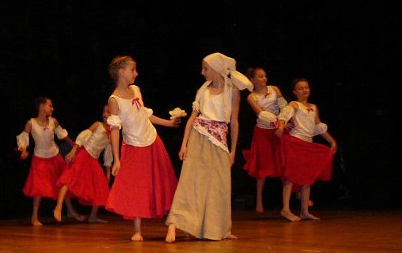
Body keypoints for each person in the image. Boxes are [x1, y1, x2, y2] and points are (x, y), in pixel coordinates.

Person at [165, 53, 253, 243]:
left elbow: (234, 122)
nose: (202, 72)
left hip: (219, 141)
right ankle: (175, 223)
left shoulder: (232, 91)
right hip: (199, 137)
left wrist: (233, 151)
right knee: (191, 181)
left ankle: (218, 228)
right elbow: (192, 118)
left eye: (205, 68)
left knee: (218, 185)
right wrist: (184, 144)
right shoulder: (203, 90)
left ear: (216, 69)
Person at [104, 56, 181, 241]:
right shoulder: (114, 100)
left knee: (164, 181)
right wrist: (116, 159)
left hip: (152, 141)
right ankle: (137, 230)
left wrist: (169, 123)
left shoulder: (136, 89)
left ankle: (173, 225)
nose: (136, 73)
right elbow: (114, 129)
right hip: (133, 147)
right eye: (132, 69)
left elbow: (144, 114)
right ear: (121, 71)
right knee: (136, 187)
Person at [16, 97, 85, 226]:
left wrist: (75, 146)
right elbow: (23, 138)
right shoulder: (31, 123)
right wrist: (24, 150)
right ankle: (34, 217)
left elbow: (62, 135)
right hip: (40, 159)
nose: (52, 108)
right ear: (42, 106)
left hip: (54, 157)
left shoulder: (53, 121)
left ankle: (71, 211)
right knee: (38, 189)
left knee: (64, 183)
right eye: (50, 106)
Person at [275, 78, 338, 220]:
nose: (304, 90)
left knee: (307, 178)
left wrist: (331, 141)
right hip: (295, 143)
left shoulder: (314, 107)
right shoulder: (294, 104)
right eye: (300, 88)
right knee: (291, 176)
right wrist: (281, 127)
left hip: (307, 145)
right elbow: (284, 116)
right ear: (294, 92)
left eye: (306, 87)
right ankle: (285, 209)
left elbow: (318, 127)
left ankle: (304, 211)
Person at [53, 105, 112, 224]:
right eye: (104, 112)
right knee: (69, 178)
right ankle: (58, 207)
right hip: (83, 153)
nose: (105, 114)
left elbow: (108, 152)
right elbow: (84, 135)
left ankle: (93, 216)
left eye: (108, 112)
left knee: (101, 186)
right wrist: (74, 150)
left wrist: (108, 171)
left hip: (93, 160)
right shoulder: (98, 125)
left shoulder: (112, 134)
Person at [241, 67, 288, 213]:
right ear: (253, 80)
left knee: (285, 162)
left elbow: (284, 107)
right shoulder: (251, 97)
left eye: (265, 76)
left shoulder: (275, 89)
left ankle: (295, 194)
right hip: (263, 132)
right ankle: (259, 200)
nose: (264, 78)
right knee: (263, 166)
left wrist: (284, 122)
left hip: (280, 129)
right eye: (260, 76)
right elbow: (261, 114)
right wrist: (278, 123)